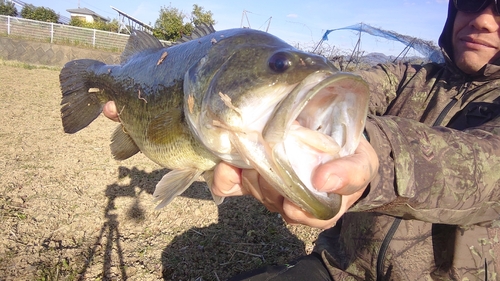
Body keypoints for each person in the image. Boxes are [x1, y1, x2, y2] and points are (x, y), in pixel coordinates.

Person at [103, 0, 500, 279]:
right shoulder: (413, 77)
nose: (482, 19)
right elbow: (339, 87)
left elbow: (486, 167)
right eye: (470, 0)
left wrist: (377, 159)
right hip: (341, 269)